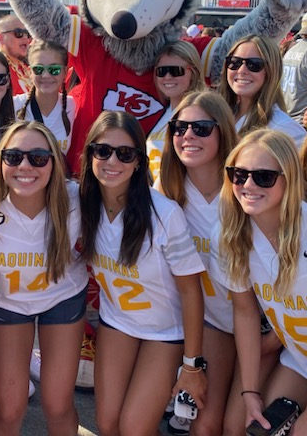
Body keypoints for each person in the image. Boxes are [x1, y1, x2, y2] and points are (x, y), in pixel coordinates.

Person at [219, 129, 307, 436]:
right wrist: (250, 392)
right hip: (303, 361)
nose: (248, 185)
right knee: (246, 428)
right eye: (239, 174)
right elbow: (245, 313)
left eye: (264, 177)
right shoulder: (231, 233)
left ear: (289, 178)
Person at [79, 111, 207, 435]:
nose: (112, 161)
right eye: (103, 150)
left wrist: (191, 365)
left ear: (138, 161)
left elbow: (192, 292)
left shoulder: (164, 214)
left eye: (125, 153)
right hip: (117, 322)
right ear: (90, 153)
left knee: (135, 428)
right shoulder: (79, 203)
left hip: (165, 332)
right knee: (107, 424)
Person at [0, 122, 88, 435]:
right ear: (0, 161)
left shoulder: (74, 197)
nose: (25, 166)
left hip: (63, 297)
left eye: (38, 157)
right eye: (13, 157)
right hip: (8, 303)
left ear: (54, 162)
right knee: (9, 408)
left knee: (57, 404)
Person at [156, 91, 246, 436]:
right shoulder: (166, 190)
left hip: (264, 327)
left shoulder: (248, 187)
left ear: (223, 130)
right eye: (179, 127)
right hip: (211, 325)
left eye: (202, 128)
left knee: (238, 425)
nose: (188, 136)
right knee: (206, 426)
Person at [220, 34, 306, 146]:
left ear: (272, 71)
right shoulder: (219, 116)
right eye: (235, 62)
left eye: (254, 64)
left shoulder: (285, 128)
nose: (242, 70)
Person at [146, 40, 206, 182]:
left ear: (193, 72)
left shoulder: (202, 114)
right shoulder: (160, 113)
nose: (167, 77)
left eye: (175, 71)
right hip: (158, 199)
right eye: (161, 71)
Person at [14, 40, 75, 155]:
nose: (46, 75)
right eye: (38, 69)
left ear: (65, 72)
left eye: (54, 69)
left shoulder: (73, 106)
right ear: (29, 72)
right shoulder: (14, 106)